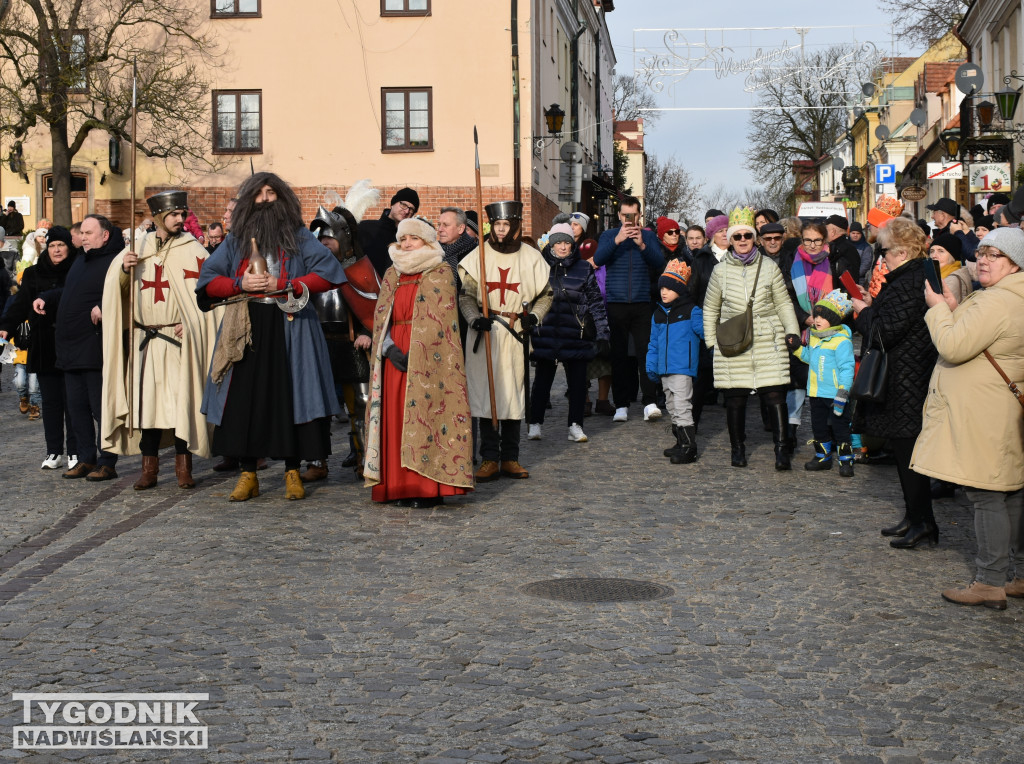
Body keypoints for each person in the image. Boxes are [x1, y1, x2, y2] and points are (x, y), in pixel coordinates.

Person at [196, 172, 345, 501]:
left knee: (290, 397)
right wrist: (240, 285)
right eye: (259, 193)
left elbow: (330, 273)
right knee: (246, 400)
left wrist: (286, 284)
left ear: (283, 198)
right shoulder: (235, 240)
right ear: (249, 199)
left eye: (271, 193)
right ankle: (248, 473)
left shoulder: (300, 236)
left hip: (292, 325)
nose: (265, 199)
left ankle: (293, 471)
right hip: (247, 325)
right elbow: (208, 282)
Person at [911, 227, 1024, 609]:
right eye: (984, 253)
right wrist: (958, 312)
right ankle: (1010, 575)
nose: (985, 261)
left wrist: (937, 309)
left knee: (986, 492)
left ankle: (990, 582)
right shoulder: (1011, 297)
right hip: (997, 406)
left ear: (1015, 263)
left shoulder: (996, 301)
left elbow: (954, 346)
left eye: (996, 256)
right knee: (1007, 488)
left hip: (982, 409)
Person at [99, 191, 224, 490]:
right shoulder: (135, 248)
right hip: (145, 340)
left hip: (178, 340)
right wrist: (124, 272)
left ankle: (184, 468)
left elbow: (209, 295)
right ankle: (149, 469)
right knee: (147, 408)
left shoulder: (193, 249)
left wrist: (191, 321)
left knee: (182, 403)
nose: (181, 220)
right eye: (174, 215)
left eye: (183, 214)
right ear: (158, 218)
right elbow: (119, 297)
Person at [362, 216, 473, 508]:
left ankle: (424, 487)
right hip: (394, 355)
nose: (407, 244)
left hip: (429, 360)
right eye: (403, 239)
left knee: (425, 419)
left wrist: (421, 349)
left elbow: (445, 321)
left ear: (426, 241)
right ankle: (397, 487)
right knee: (396, 418)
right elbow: (380, 315)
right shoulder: (391, 274)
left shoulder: (441, 272)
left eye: (414, 238)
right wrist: (387, 348)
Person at [850, 217, 938, 548]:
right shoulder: (908, 276)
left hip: (907, 379)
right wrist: (872, 306)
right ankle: (915, 518)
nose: (881, 257)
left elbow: (885, 332)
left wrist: (862, 312)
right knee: (904, 453)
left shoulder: (908, 280)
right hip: (904, 374)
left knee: (909, 453)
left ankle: (923, 522)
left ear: (901, 251)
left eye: (884, 250)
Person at [458, 200, 553, 481]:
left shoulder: (531, 257)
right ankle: (489, 458)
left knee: (512, 395)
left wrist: (533, 318)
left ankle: (511, 457)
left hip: (515, 333)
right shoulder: (479, 256)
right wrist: (474, 317)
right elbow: (466, 295)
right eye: (496, 225)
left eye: (505, 225)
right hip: (485, 333)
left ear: (515, 225)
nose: (500, 230)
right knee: (486, 395)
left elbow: (545, 295)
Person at [702, 207, 799, 470]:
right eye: (737, 236)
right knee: (735, 398)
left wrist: (791, 332)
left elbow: (783, 304)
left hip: (769, 339)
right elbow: (710, 308)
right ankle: (738, 448)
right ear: (730, 240)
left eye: (747, 235)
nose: (743, 240)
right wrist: (712, 342)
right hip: (733, 341)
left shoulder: (768, 267)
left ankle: (781, 450)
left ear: (754, 237)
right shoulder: (720, 272)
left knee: (775, 395)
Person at [302, 201, 374, 482]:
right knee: (315, 405)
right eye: (320, 238)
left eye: (329, 237)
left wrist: (369, 331)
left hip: (352, 342)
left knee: (362, 402)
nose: (324, 243)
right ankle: (317, 461)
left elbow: (374, 306)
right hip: (318, 343)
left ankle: (365, 458)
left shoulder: (360, 268)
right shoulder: (311, 269)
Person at [52, 215, 125, 480]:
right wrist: (45, 299)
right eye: (81, 232)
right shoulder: (80, 260)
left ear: (104, 235)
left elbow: (125, 295)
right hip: (70, 347)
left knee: (100, 407)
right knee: (76, 407)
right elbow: (69, 292)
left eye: (89, 232)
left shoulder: (115, 262)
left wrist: (105, 307)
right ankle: (86, 458)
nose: (83, 237)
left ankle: (107, 460)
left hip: (95, 345)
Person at [0, 226, 78, 468]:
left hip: (72, 345)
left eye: (61, 245)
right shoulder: (34, 273)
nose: (56, 250)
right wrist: (6, 327)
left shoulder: (78, 269)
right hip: (44, 345)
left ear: (69, 247)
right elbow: (20, 304)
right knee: (51, 402)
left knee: (73, 403)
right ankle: (53, 451)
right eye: (52, 245)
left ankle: (76, 452)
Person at [527, 223, 609, 443]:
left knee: (578, 384)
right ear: (552, 244)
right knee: (542, 382)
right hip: (547, 331)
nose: (563, 247)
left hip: (576, 333)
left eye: (567, 242)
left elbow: (595, 303)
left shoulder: (583, 268)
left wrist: (602, 333)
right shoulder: (539, 265)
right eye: (559, 242)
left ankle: (576, 425)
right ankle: (535, 423)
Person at [593, 196, 665, 423]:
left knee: (646, 354)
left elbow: (660, 263)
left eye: (632, 215)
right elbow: (598, 258)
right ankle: (621, 404)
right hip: (616, 303)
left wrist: (642, 244)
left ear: (640, 215)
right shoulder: (608, 235)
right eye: (624, 215)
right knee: (619, 356)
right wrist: (618, 239)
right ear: (619, 216)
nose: (628, 220)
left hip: (643, 302)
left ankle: (649, 402)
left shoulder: (649, 236)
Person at [788, 289, 855, 476]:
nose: (817, 320)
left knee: (841, 429)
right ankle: (822, 457)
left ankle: (846, 460)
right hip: (816, 392)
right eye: (816, 315)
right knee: (818, 427)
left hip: (835, 395)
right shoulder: (816, 338)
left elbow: (847, 369)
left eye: (822, 317)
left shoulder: (841, 342)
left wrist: (843, 393)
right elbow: (810, 358)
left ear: (833, 320)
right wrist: (797, 348)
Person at [646, 259, 704, 464]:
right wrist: (651, 363)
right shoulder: (658, 314)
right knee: (671, 405)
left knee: (681, 405)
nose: (664, 292)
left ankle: (690, 447)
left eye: (669, 288)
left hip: (682, 367)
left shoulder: (692, 311)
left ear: (680, 290)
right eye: (662, 287)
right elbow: (653, 342)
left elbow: (705, 332)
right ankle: (680, 441)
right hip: (664, 368)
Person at [358, 187, 419, 277]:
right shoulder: (365, 228)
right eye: (403, 205)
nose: (406, 211)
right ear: (393, 203)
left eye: (411, 209)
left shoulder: (409, 240)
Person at [929, 233, 974, 304]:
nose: (934, 255)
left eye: (941, 251)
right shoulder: (938, 274)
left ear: (952, 256)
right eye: (932, 251)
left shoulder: (951, 280)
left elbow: (943, 309)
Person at [437, 206, 476, 280]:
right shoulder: (433, 251)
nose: (440, 229)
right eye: (439, 225)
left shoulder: (475, 253)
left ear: (460, 228)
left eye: (446, 225)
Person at [823, 215, 861, 286]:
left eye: (826, 230)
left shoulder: (837, 249)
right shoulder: (850, 247)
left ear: (833, 232)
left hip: (839, 295)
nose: (824, 233)